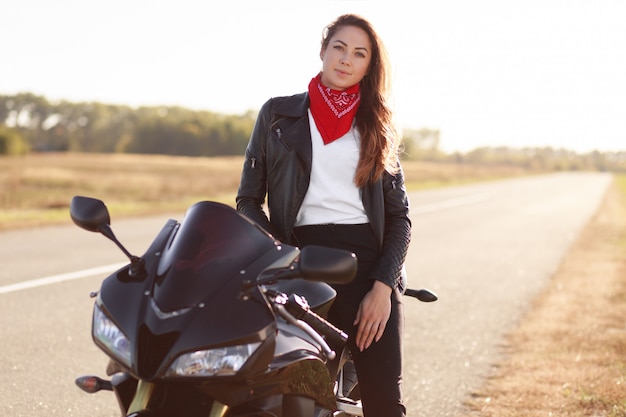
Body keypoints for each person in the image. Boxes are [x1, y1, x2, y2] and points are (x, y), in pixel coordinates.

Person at [236, 13, 410, 417]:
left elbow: (400, 217)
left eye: (359, 53)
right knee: (285, 398)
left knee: (384, 402)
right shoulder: (277, 115)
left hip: (366, 268)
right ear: (323, 51)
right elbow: (247, 202)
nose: (346, 60)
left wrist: (383, 288)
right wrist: (278, 254)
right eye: (339, 48)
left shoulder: (379, 124)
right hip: (298, 264)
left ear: (370, 65)